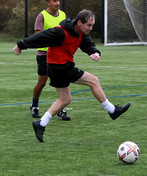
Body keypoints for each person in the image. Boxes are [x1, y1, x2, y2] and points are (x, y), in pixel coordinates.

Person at [13, 9, 131, 142]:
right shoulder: (60, 32)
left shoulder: (81, 32)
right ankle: (112, 110)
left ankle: (40, 124)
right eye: (89, 25)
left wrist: (94, 52)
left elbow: (87, 44)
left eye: (92, 26)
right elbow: (40, 38)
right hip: (60, 67)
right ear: (79, 22)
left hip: (58, 66)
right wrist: (20, 45)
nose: (90, 29)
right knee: (93, 80)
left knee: (65, 99)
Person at [30, 0, 70, 120]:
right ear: (48, 3)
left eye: (58, 0)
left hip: (60, 55)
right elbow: (38, 36)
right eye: (54, 1)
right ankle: (34, 105)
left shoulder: (63, 15)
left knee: (62, 82)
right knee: (42, 83)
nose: (57, 3)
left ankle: (60, 109)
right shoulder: (41, 16)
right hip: (44, 54)